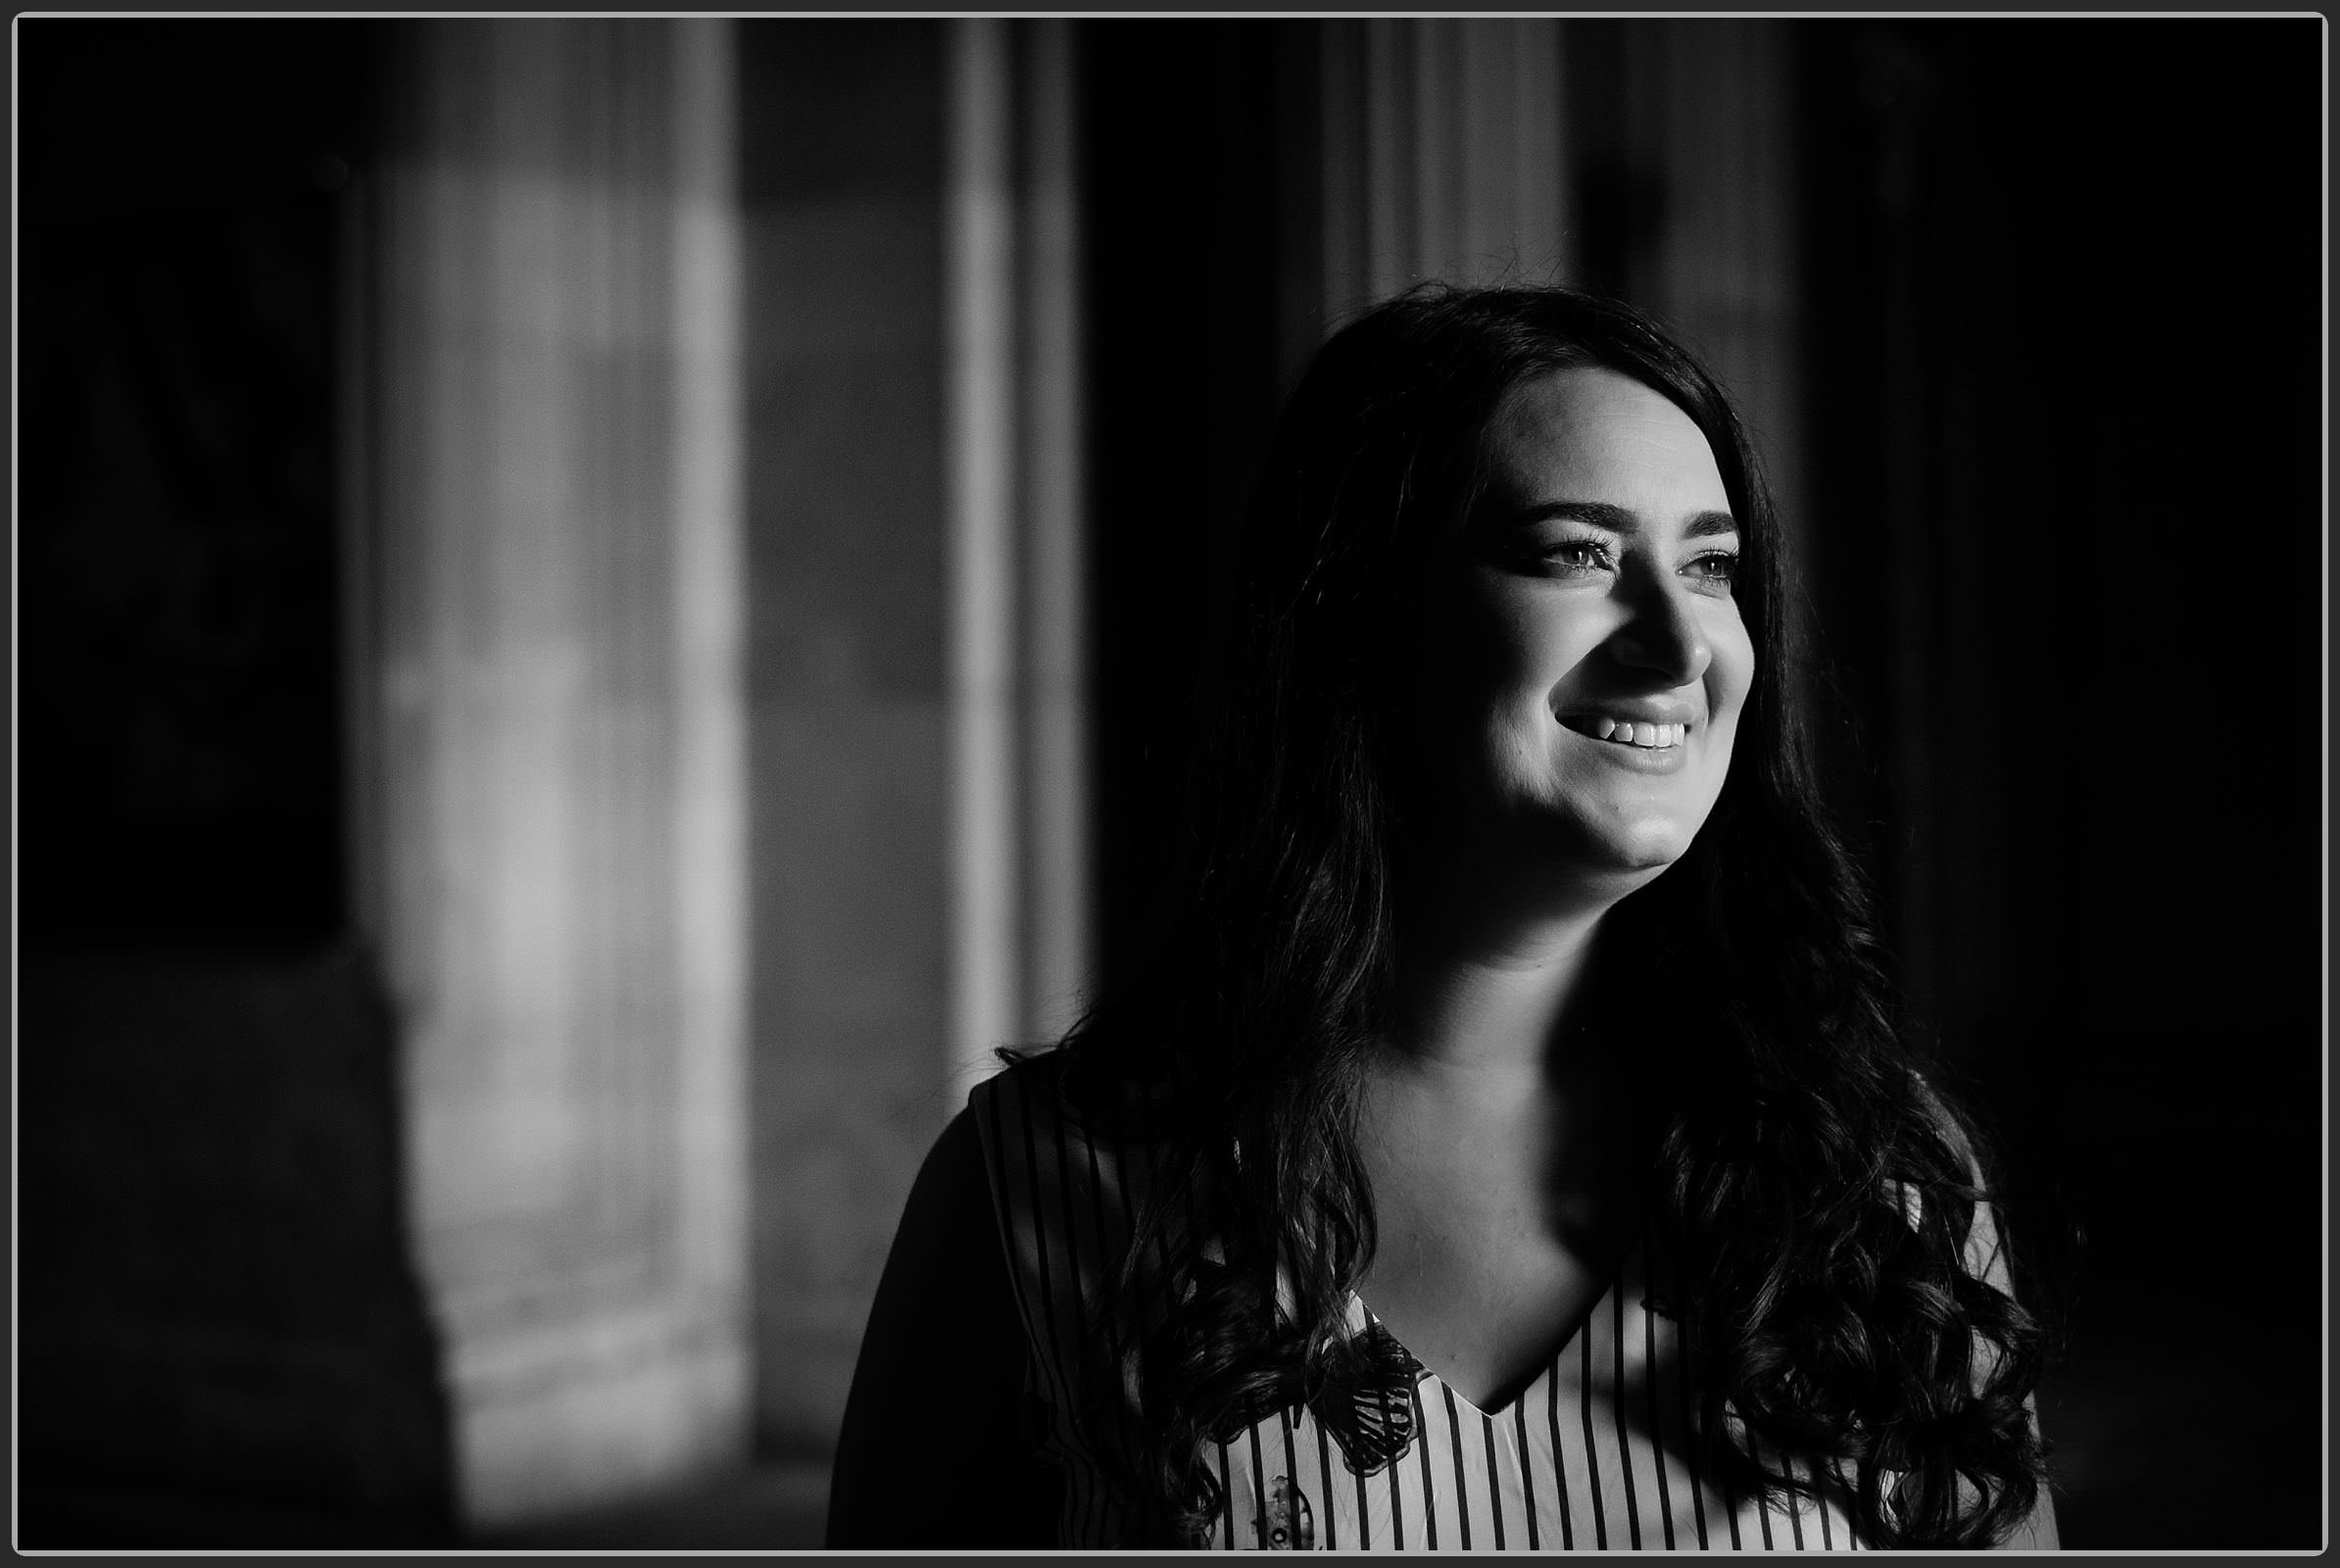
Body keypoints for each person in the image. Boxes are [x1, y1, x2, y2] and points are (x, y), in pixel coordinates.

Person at [826, 284, 2058, 1550]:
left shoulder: (1877, 1181)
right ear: (1359, 620)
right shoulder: (1039, 1193)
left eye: (1711, 566)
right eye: (1574, 552)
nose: (1681, 641)